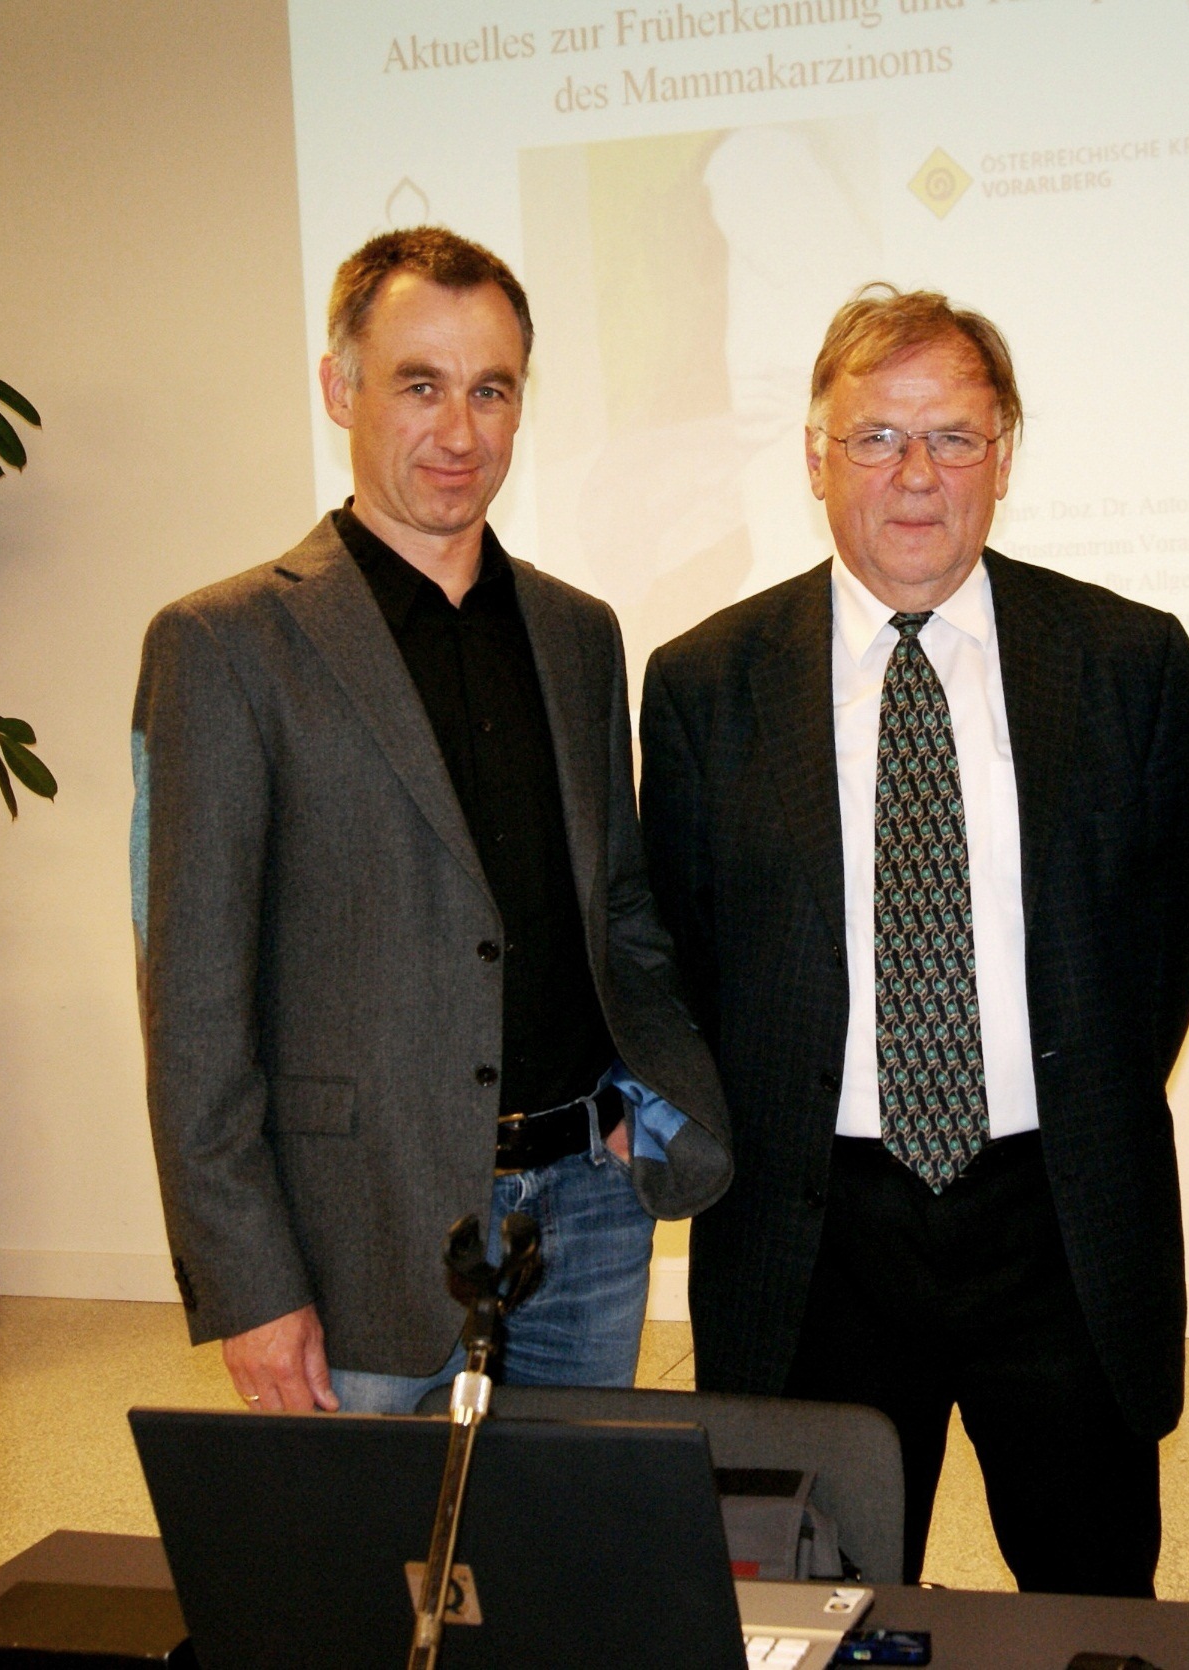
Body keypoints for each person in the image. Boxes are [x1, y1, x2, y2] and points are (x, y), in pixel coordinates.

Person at [639, 286, 1189, 1596]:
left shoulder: (1127, 660)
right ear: (814, 456)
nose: (913, 475)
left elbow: (1164, 938)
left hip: (1055, 1223)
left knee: (1093, 1600)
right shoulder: (704, 681)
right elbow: (679, 953)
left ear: (1002, 455)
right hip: (813, 1232)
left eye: (951, 437)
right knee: (812, 1609)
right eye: (875, 437)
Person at [132, 227, 731, 1415]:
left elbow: (616, 907)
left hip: (586, 1216)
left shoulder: (578, 634)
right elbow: (191, 1004)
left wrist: (642, 1101)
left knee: (565, 1534)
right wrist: (250, 1283)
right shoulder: (224, 644)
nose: (459, 431)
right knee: (375, 1545)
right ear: (338, 388)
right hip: (357, 1233)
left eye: (490, 390)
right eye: (420, 385)